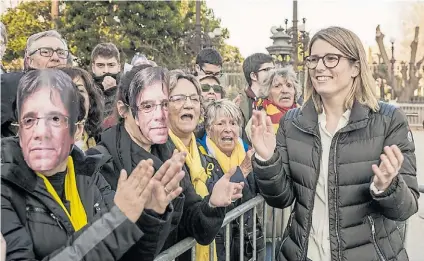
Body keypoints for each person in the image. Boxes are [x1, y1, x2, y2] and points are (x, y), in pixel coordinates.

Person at [250, 26, 419, 261]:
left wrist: (387, 186)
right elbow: (281, 198)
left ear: (355, 67)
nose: (319, 67)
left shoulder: (388, 120)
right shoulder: (292, 123)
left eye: (331, 59)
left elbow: (406, 208)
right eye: (314, 59)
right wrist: (267, 159)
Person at [1, 69, 185, 261]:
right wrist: (115, 221)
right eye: (29, 120)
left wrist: (149, 215)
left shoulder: (91, 175)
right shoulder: (5, 189)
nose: (40, 132)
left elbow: (126, 256)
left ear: (78, 129)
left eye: (55, 119)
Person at [87, 66, 244, 261]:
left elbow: (192, 222)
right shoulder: (100, 163)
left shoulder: (169, 152)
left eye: (163, 104)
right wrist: (150, 214)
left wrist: (213, 204)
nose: (160, 115)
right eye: (147, 106)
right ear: (123, 109)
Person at [197, 99, 265, 260]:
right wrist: (243, 170)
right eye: (220, 123)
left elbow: (265, 190)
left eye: (233, 123)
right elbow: (216, 200)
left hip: (248, 243)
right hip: (219, 247)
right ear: (208, 129)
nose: (228, 129)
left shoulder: (247, 150)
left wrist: (266, 161)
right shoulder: (201, 157)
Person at [1, 30, 69, 138]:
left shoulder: (76, 90)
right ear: (29, 60)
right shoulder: (8, 85)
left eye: (61, 53)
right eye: (46, 52)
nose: (55, 58)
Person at [245, 67, 300, 141]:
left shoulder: (306, 115)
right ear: (267, 92)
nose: (285, 90)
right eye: (277, 86)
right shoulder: (258, 121)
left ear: (295, 91)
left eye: (289, 85)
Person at [60, 67, 104, 151]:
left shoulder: (103, 141)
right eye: (65, 89)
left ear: (90, 100)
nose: (74, 96)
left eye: (79, 89)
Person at [90, 42, 121, 125]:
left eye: (111, 65)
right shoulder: (86, 90)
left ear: (118, 67)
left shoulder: (128, 89)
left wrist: (112, 92)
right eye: (100, 65)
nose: (106, 70)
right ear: (93, 68)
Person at [240, 53, 274, 126]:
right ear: (253, 76)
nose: (273, 73)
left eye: (273, 69)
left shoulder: (278, 97)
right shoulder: (239, 103)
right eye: (267, 69)